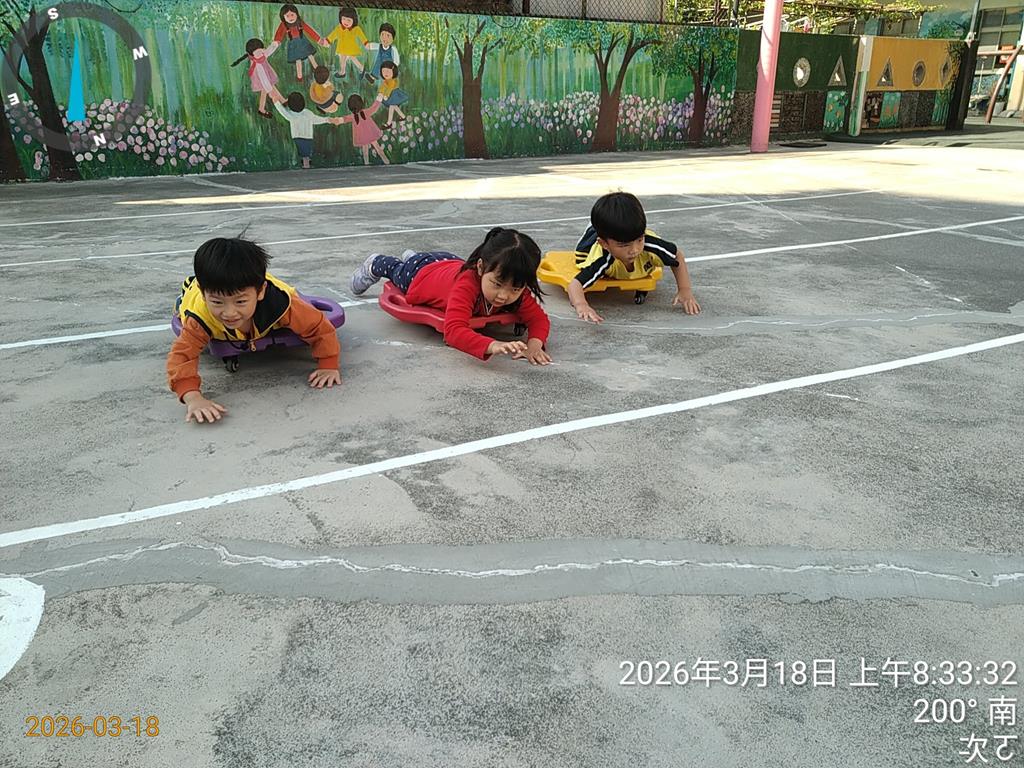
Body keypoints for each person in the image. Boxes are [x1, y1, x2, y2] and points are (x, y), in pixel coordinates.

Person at [167, 237, 341, 424]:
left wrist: (328, 364)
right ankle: (185, 295)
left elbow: (319, 326)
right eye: (217, 302)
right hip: (194, 293)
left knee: (289, 297)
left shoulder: (281, 304)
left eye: (240, 301)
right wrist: (193, 397)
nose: (229, 312)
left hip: (266, 289)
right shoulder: (200, 317)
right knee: (187, 301)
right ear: (204, 293)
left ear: (261, 292)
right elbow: (182, 356)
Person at [349, 228, 552, 364]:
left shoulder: (514, 282)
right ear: (480, 267)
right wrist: (493, 344)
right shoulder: (467, 285)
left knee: (426, 261)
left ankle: (414, 255)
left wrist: (534, 345)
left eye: (515, 289)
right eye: (497, 285)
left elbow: (538, 319)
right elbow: (454, 331)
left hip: (449, 263)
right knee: (397, 270)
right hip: (421, 273)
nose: (503, 295)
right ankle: (376, 263)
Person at [569, 192, 701, 323]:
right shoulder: (602, 258)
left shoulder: (651, 245)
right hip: (591, 245)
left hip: (622, 236)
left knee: (626, 233)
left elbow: (677, 256)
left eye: (639, 240)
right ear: (605, 244)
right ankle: (592, 228)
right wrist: (581, 305)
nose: (634, 250)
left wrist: (685, 290)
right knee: (585, 248)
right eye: (624, 245)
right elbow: (575, 285)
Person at [273, 92, 335, 169]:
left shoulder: (291, 115)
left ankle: (306, 166)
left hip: (297, 138)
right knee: (306, 154)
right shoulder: (307, 113)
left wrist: (276, 102)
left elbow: (282, 111)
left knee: (303, 154)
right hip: (308, 138)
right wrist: (327, 119)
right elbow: (317, 119)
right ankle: (306, 163)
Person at [265, 4, 325, 82]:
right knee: (298, 60)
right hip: (293, 44)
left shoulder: (300, 22)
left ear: (296, 14)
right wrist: (277, 41)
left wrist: (318, 39)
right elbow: (279, 34)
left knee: (310, 56)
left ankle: (317, 70)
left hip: (303, 41)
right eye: (287, 16)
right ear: (283, 17)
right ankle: (299, 77)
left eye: (292, 15)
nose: (290, 18)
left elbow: (309, 30)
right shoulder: (283, 25)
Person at [231, 38, 281, 119]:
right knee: (266, 90)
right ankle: (263, 109)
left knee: (267, 89)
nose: (262, 52)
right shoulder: (257, 63)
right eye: (259, 51)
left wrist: (275, 44)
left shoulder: (261, 56)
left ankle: (279, 101)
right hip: (262, 79)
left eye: (261, 49)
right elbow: (263, 79)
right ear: (253, 54)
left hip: (266, 76)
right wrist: (270, 91)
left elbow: (268, 51)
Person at [336, 93, 389, 165]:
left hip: (363, 137)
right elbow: (374, 108)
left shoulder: (352, 116)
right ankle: (386, 161)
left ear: (350, 107)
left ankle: (366, 163)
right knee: (377, 147)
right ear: (361, 103)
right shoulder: (365, 112)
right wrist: (379, 98)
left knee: (365, 149)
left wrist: (336, 120)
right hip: (371, 134)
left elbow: (344, 119)